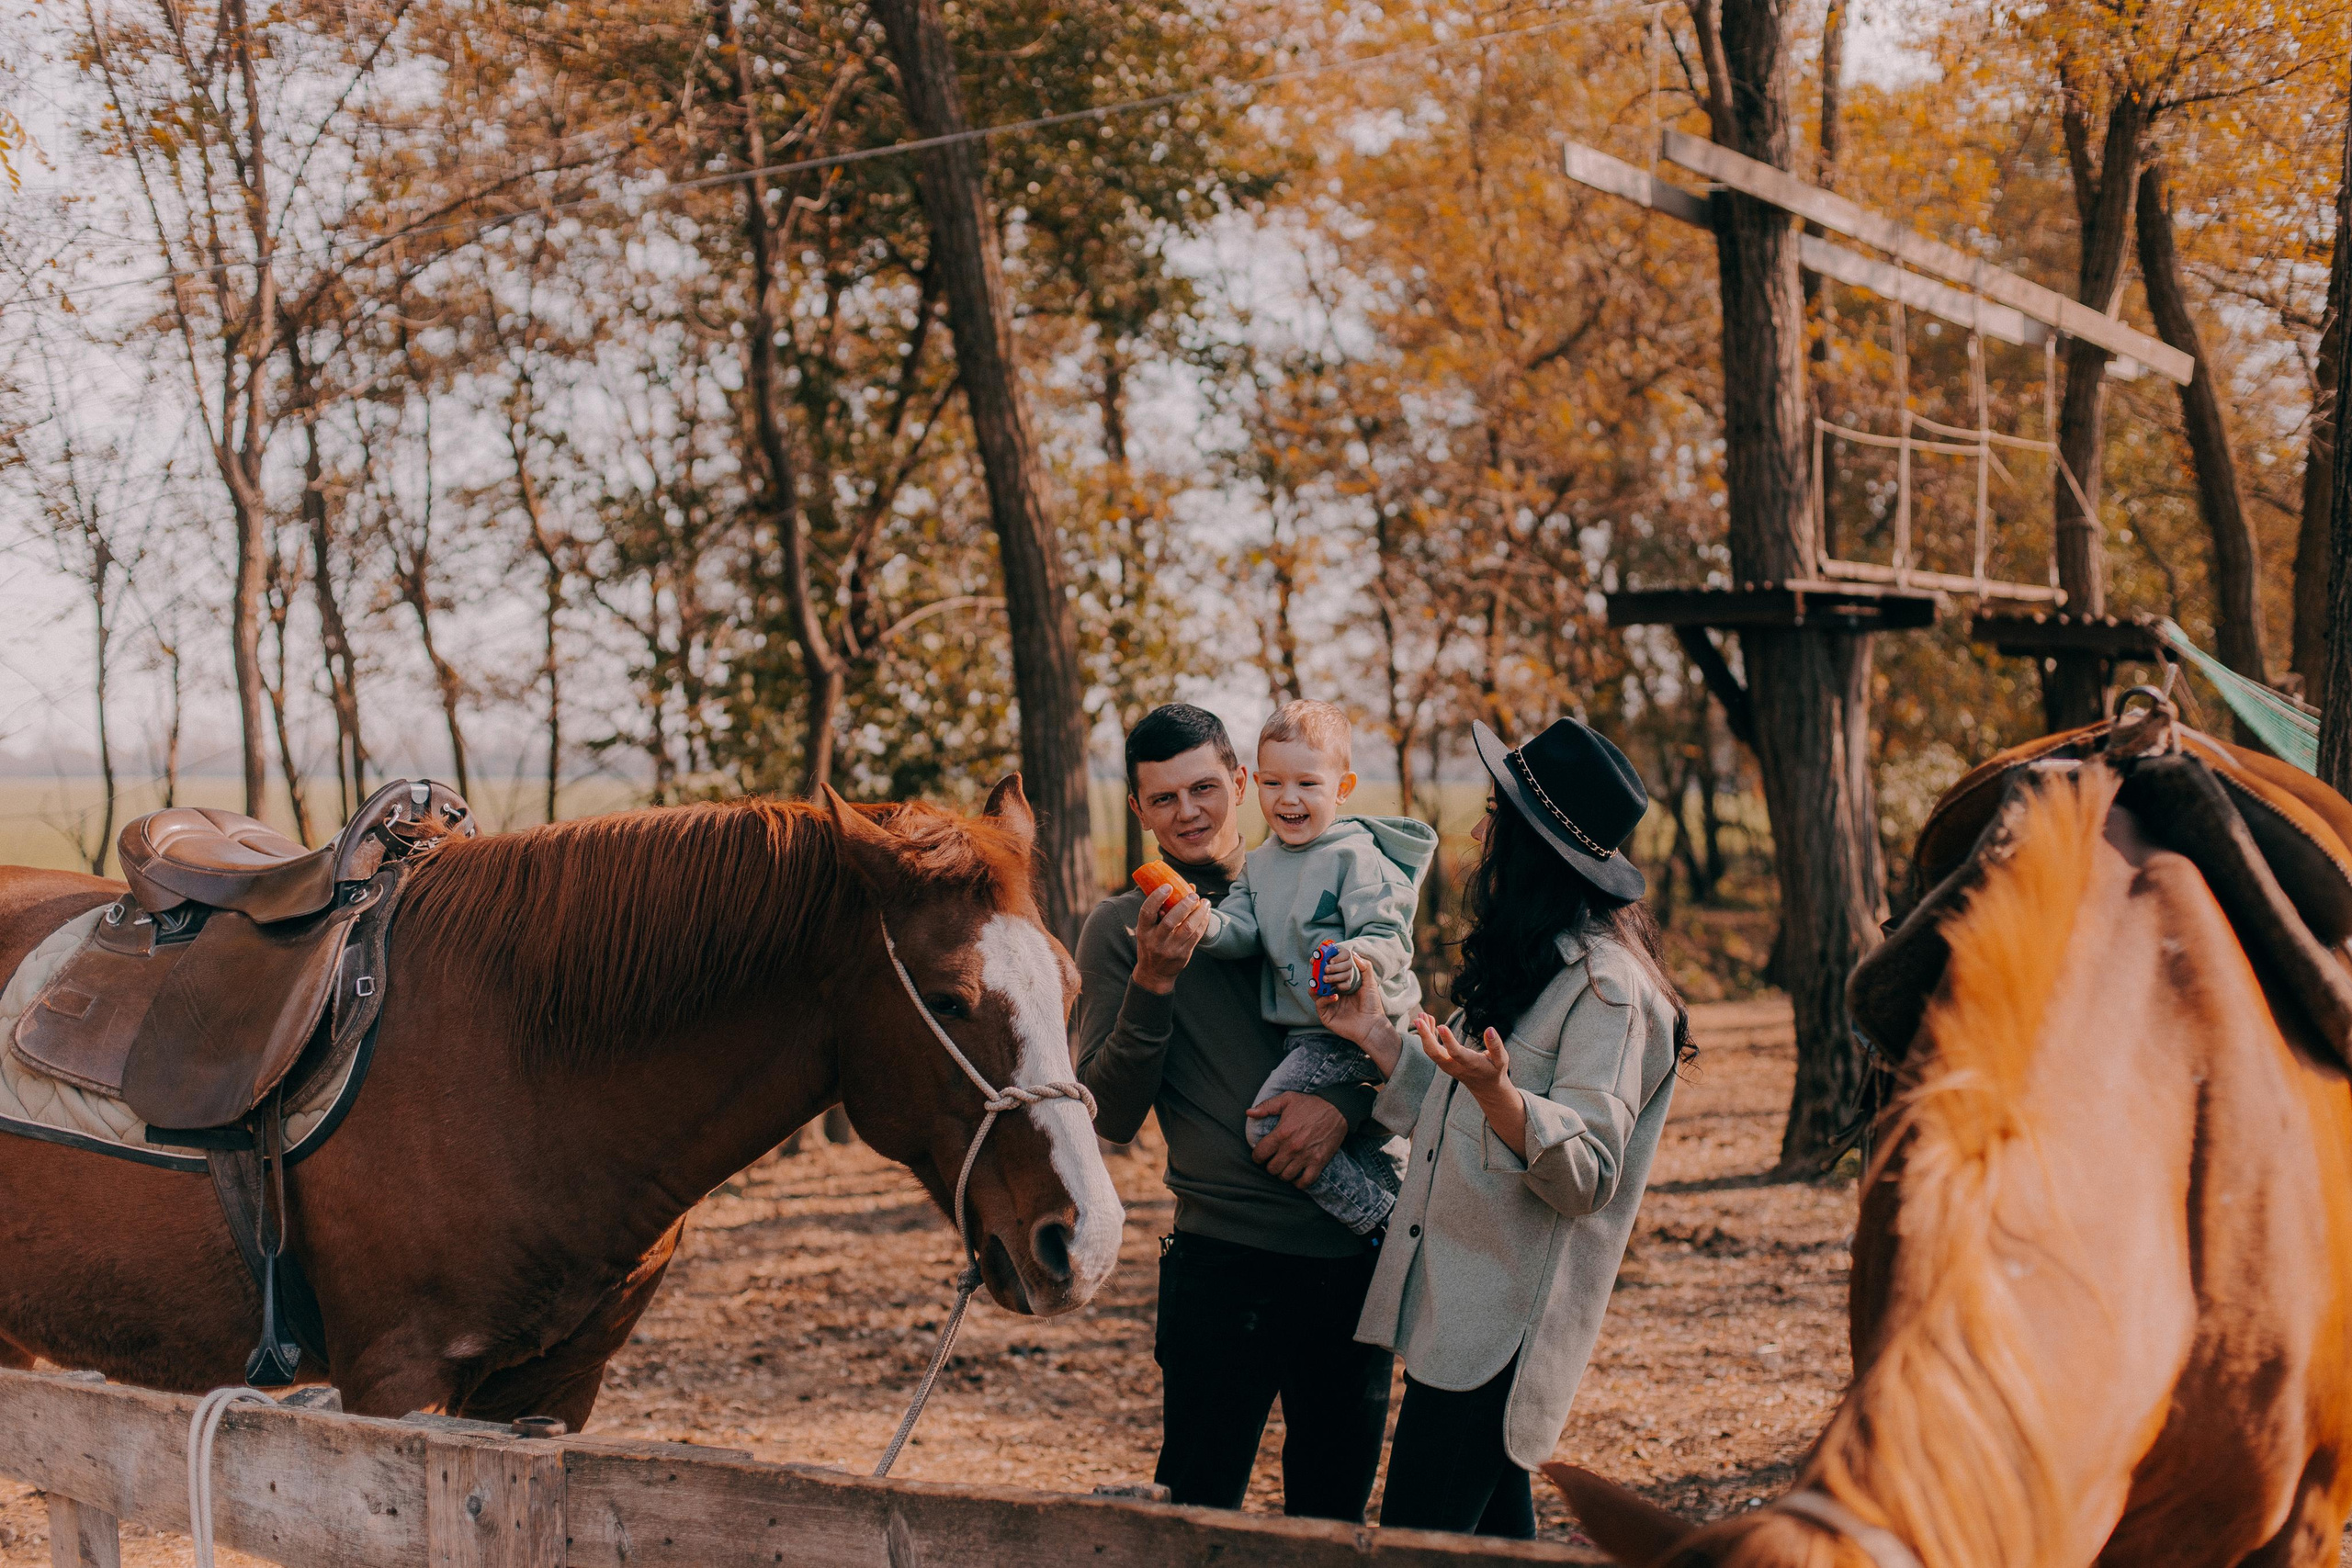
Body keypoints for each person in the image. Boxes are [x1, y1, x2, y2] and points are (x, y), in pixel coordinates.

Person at [1312, 716, 1688, 1538]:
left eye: (1495, 817)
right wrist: (1377, 1034)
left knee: (1417, 1545)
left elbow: (1588, 1173)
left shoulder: (1610, 991)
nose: (1480, 835)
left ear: (1535, 848)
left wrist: (1500, 1094)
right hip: (1454, 1308)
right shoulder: (1537, 958)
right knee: (1491, 1545)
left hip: (1501, 1334)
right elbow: (1460, 1108)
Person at [1072, 703, 1392, 1521]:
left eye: (1204, 788)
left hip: (1348, 1256)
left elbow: (1400, 1037)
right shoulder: (1119, 928)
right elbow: (1109, 1113)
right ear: (1139, 810)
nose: (1188, 812)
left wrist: (1343, 1106)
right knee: (1198, 1510)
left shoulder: (1323, 875)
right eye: (1164, 798)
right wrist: (1153, 981)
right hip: (1222, 1261)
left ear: (1242, 782)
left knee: (1333, 1518)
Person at [1195, 698, 1436, 1237]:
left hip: (1357, 1032)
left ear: (1342, 788)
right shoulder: (1260, 863)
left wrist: (1356, 960)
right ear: (1256, 782)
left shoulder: (1357, 856)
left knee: (1267, 1128)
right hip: (1306, 1036)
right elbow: (1240, 929)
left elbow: (1390, 939)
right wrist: (1203, 926)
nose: (1289, 798)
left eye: (1307, 783)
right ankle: (1405, 1224)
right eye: (1274, 783)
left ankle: (1379, 1223)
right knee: (1373, 1153)